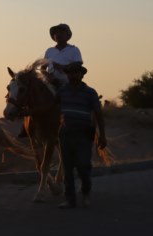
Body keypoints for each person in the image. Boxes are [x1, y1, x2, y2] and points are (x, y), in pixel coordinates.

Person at [18, 22, 85, 138]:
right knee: (30, 93)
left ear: (67, 35)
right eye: (56, 33)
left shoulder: (74, 50)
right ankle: (26, 126)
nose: (58, 34)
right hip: (50, 80)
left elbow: (78, 65)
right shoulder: (49, 51)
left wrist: (63, 67)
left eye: (61, 32)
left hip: (67, 80)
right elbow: (43, 68)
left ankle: (70, 122)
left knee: (67, 98)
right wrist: (48, 76)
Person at [57, 62, 107, 209]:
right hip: (66, 133)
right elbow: (50, 105)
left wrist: (102, 136)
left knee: (84, 166)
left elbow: (98, 114)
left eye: (76, 72)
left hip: (84, 133)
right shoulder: (61, 91)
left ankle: (86, 191)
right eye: (70, 73)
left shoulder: (90, 92)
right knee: (67, 168)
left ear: (82, 74)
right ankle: (70, 199)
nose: (73, 75)